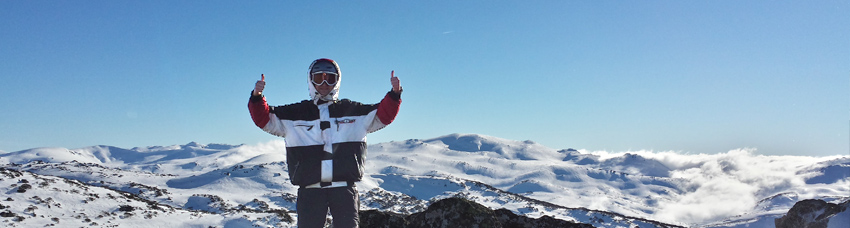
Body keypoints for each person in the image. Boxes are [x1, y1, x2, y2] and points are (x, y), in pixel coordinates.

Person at [248, 58, 402, 228]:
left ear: (337, 81)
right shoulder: (294, 114)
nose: (324, 83)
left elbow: (383, 115)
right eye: (318, 78)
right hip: (310, 190)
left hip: (344, 189)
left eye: (330, 78)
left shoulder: (354, 112)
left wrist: (394, 95)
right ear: (310, 80)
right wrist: (257, 98)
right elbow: (264, 118)